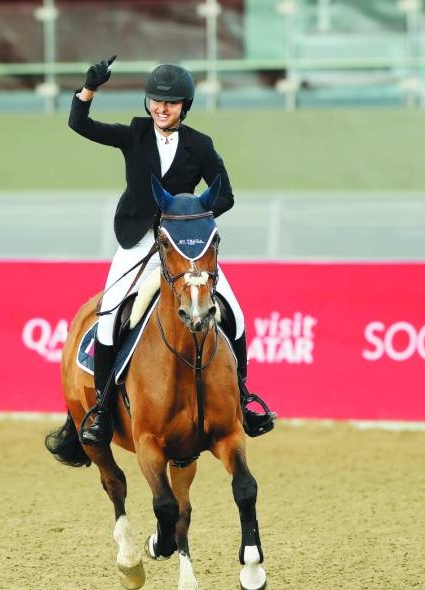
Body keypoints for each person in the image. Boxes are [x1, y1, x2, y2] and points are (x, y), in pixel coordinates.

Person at [67, 56, 275, 449]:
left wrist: (189, 217)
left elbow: (225, 194)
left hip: (185, 246)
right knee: (110, 317)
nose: (162, 108)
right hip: (140, 242)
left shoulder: (200, 145)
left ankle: (244, 401)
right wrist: (88, 89)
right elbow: (79, 124)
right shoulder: (135, 133)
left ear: (185, 106)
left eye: (172, 102)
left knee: (236, 313)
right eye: (156, 101)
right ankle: (103, 409)